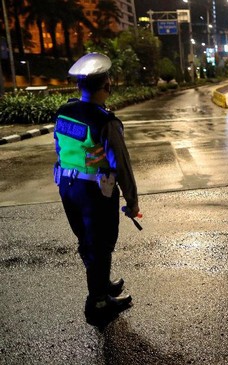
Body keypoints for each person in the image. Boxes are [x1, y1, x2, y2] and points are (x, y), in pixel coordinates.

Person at [53, 52, 140, 325]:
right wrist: (133, 202)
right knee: (101, 245)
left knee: (87, 241)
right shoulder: (106, 122)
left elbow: (59, 147)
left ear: (78, 87)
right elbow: (122, 166)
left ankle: (100, 284)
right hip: (95, 195)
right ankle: (99, 302)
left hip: (67, 188)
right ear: (108, 86)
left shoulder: (64, 112)